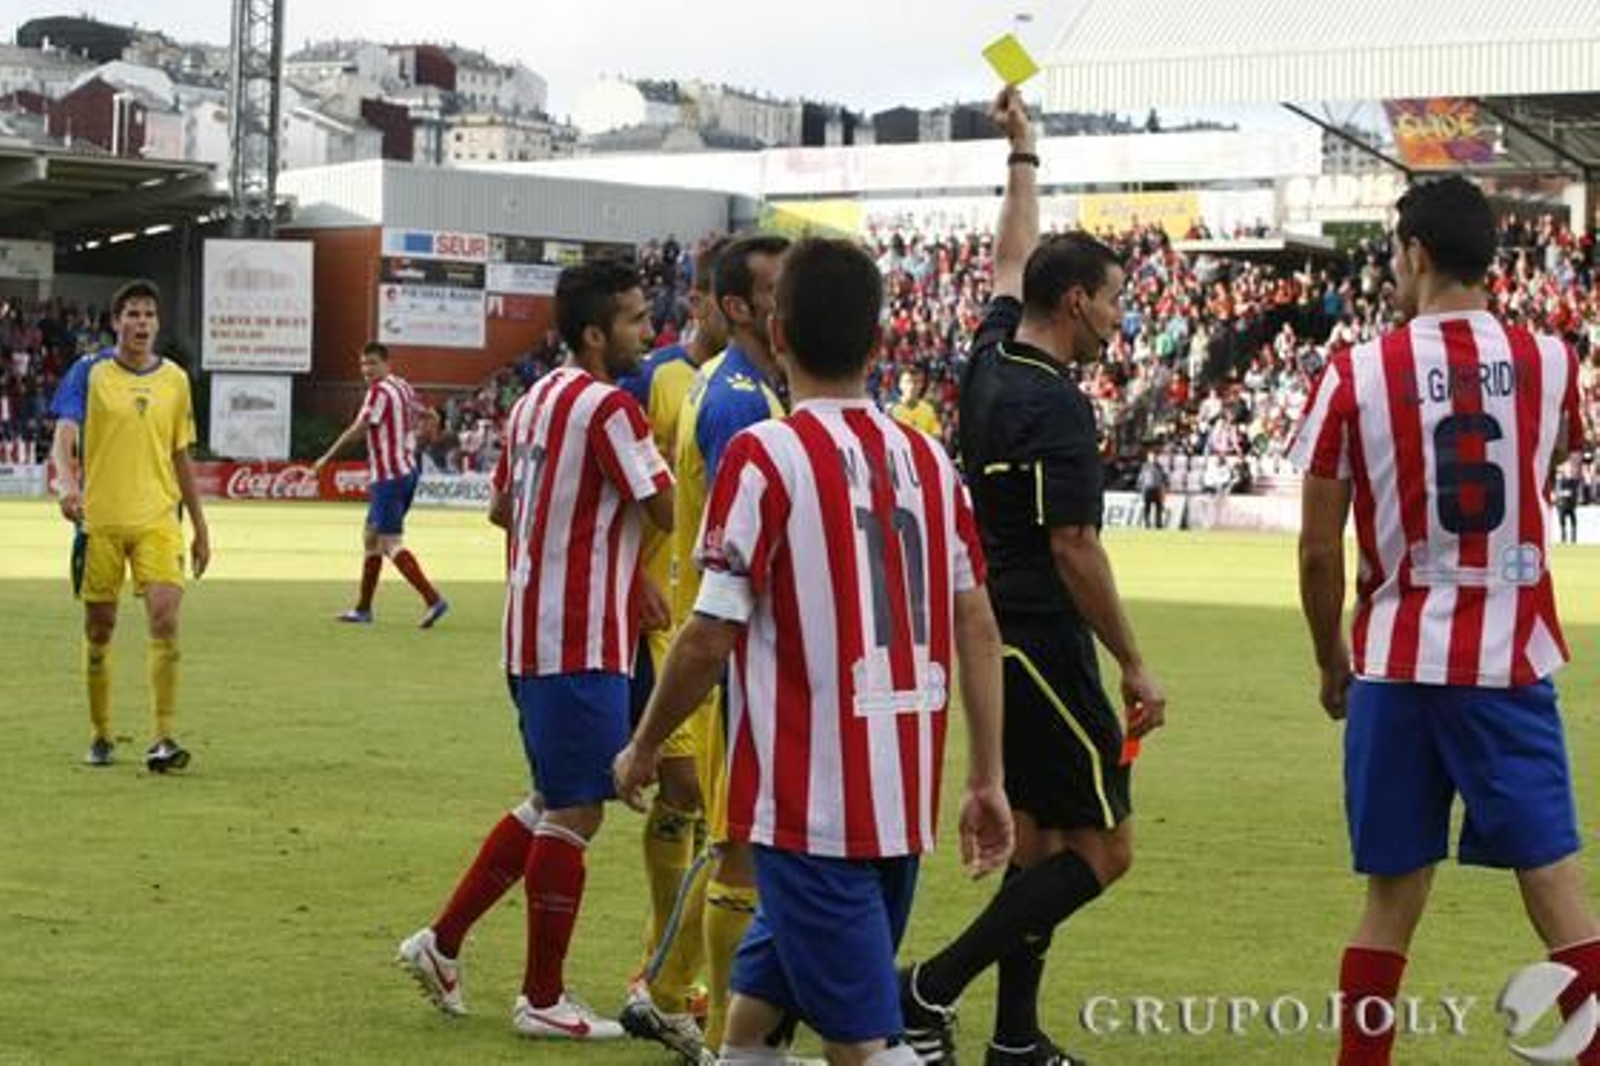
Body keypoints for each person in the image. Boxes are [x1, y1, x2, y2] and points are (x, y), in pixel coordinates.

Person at [614, 236, 1013, 1065]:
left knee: (862, 1048)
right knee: (752, 1027)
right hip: (900, 800)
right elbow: (978, 625)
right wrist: (986, 778)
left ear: (778, 332)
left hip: (809, 813)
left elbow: (709, 634)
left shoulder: (767, 456)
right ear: (879, 342)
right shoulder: (930, 462)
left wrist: (644, 743)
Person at [1294, 176, 1600, 1066]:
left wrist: (1330, 658)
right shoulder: (1550, 362)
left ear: (1417, 252)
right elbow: (1548, 462)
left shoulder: (1356, 372)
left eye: (1396, 254)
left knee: (1390, 903)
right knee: (1558, 892)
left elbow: (1316, 551)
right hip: (1507, 664)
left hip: (1393, 667)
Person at [900, 87, 1168, 1065]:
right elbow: (1074, 548)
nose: (1117, 320)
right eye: (1113, 301)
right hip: (1041, 637)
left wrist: (1024, 153)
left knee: (1039, 843)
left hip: (988, 633)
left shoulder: (987, 360)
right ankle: (925, 989)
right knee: (1103, 849)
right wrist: (1133, 661)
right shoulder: (1057, 407)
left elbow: (1010, 255)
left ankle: (1014, 1042)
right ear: (1076, 302)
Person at [394, 259, 673, 1040]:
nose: (648, 331)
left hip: (533, 633)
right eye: (635, 318)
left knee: (553, 800)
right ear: (595, 334)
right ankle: (542, 998)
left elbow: (502, 511)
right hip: (580, 639)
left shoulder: (533, 401)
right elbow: (667, 509)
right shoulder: (611, 408)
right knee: (577, 809)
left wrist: (604, 565)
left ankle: (442, 943)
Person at [625, 233, 790, 1053]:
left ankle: (664, 992)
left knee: (734, 839)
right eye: (777, 287)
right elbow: (742, 547)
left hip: (734, 654)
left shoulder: (738, 385)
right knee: (739, 849)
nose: (791, 299)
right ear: (737, 305)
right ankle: (726, 1034)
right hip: (735, 658)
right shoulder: (739, 404)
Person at [615, 237, 731, 1051]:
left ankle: (663, 970)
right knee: (687, 790)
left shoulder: (760, 388)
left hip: (721, 621)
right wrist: (631, 577)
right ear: (699, 302)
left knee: (701, 802)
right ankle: (663, 971)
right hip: (666, 619)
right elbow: (611, 485)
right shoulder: (653, 378)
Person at [49, 278, 210, 771]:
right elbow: (64, 436)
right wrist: (67, 485)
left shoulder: (175, 380)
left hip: (159, 520)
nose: (142, 322)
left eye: (149, 314)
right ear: (116, 322)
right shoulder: (89, 371)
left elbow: (180, 455)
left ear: (157, 324)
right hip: (100, 521)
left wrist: (200, 527)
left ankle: (163, 737)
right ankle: (100, 734)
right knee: (100, 627)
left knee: (165, 616)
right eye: (132, 314)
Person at [314, 342, 448, 629]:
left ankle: (433, 599)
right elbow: (431, 416)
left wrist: (327, 456)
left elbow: (358, 429)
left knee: (390, 543)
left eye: (373, 363)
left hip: (389, 478)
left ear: (387, 363)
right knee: (371, 537)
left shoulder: (378, 392)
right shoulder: (402, 386)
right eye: (363, 364)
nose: (367, 370)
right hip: (407, 472)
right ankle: (363, 609)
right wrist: (421, 439)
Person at [889, 366, 942, 439]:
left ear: (921, 385)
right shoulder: (891, 411)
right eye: (908, 382)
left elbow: (936, 436)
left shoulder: (929, 410)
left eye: (916, 382)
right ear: (900, 385)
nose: (912, 386)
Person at [1134, 449, 1168, 529]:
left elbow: (1163, 476)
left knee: (1158, 507)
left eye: (1153, 456)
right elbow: (1141, 476)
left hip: (1156, 489)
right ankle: (1147, 523)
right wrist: (1139, 484)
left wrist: (1164, 485)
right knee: (1147, 507)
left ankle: (1158, 523)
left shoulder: (1159, 466)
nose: (1152, 458)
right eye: (1150, 456)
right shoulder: (1145, 466)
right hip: (1147, 489)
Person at [1556, 452, 1582, 544]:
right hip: (1562, 504)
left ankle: (1573, 539)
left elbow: (1576, 491)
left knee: (1573, 522)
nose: (1570, 471)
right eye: (1568, 470)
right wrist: (1564, 494)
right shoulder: (1560, 481)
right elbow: (1558, 492)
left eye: (1571, 470)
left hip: (1571, 504)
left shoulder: (1573, 481)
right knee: (1562, 522)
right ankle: (1563, 538)